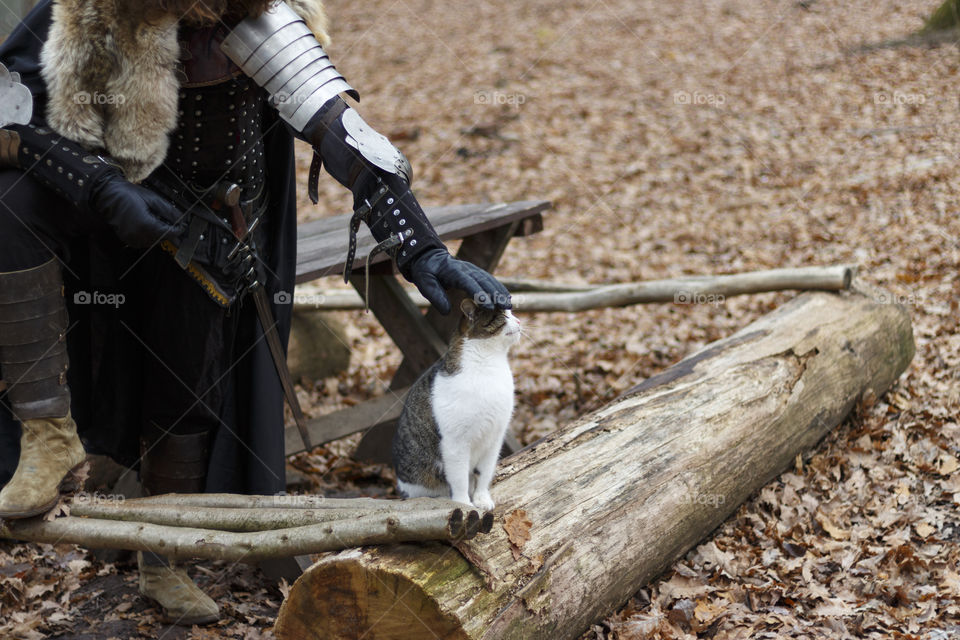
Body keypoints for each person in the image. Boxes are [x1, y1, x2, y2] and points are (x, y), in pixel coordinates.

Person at [0, 0, 511, 625]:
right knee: (7, 204)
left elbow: (340, 130)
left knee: (183, 394)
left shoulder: (260, 13)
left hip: (208, 234)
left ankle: (163, 558)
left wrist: (423, 249)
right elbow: (11, 114)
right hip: (103, 208)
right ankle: (47, 438)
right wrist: (106, 190)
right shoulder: (88, 12)